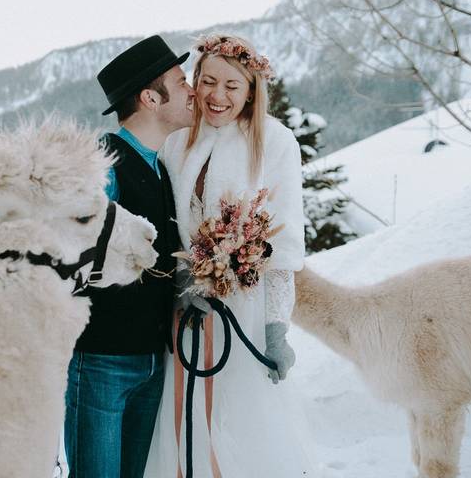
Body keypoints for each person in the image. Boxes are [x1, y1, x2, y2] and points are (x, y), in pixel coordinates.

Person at [145, 34, 315, 477]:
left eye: (232, 86)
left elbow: (282, 246)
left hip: (243, 312)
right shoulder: (178, 141)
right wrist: (183, 280)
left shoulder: (274, 142)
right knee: (185, 420)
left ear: (251, 91)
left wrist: (276, 328)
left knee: (234, 420)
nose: (216, 96)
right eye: (207, 82)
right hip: (184, 310)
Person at [64, 35, 195, 478]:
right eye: (181, 83)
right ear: (150, 98)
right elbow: (67, 257)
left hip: (149, 363)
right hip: (99, 362)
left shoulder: (162, 166)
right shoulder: (104, 167)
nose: (192, 90)